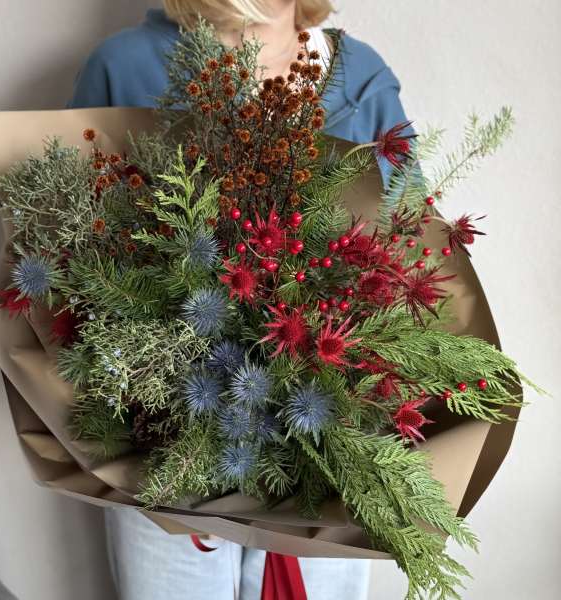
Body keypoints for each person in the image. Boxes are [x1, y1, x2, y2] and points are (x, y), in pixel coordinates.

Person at [68, 2, 410, 598]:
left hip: (325, 455)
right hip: (161, 452)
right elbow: (70, 258)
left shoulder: (359, 78)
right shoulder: (122, 68)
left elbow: (409, 249)